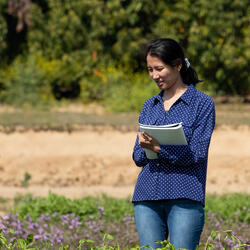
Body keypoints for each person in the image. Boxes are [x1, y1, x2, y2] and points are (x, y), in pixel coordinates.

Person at [132, 38, 216, 250]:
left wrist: (159, 149)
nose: (154, 75)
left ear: (178, 65)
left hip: (185, 195)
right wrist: (144, 146)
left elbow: (197, 153)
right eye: (150, 69)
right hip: (147, 196)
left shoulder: (202, 104)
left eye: (159, 68)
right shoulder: (149, 105)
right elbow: (137, 157)